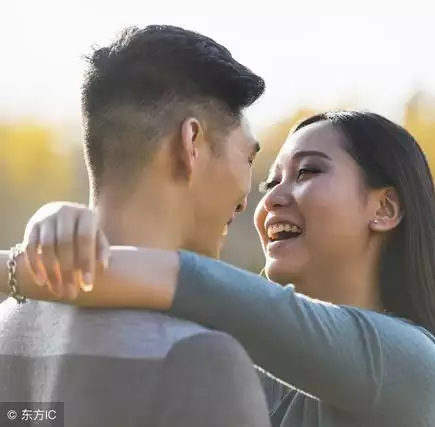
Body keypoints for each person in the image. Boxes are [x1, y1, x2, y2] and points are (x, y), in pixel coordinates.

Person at [3, 111, 435, 426]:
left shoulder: (409, 364)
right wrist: (56, 223)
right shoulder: (241, 362)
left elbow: (190, 283)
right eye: (269, 182)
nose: (272, 200)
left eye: (307, 172)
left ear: (384, 209)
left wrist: (15, 269)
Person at [0, 25, 271, 427]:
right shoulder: (200, 358)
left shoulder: (7, 324)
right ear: (191, 143)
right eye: (248, 159)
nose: (248, 198)